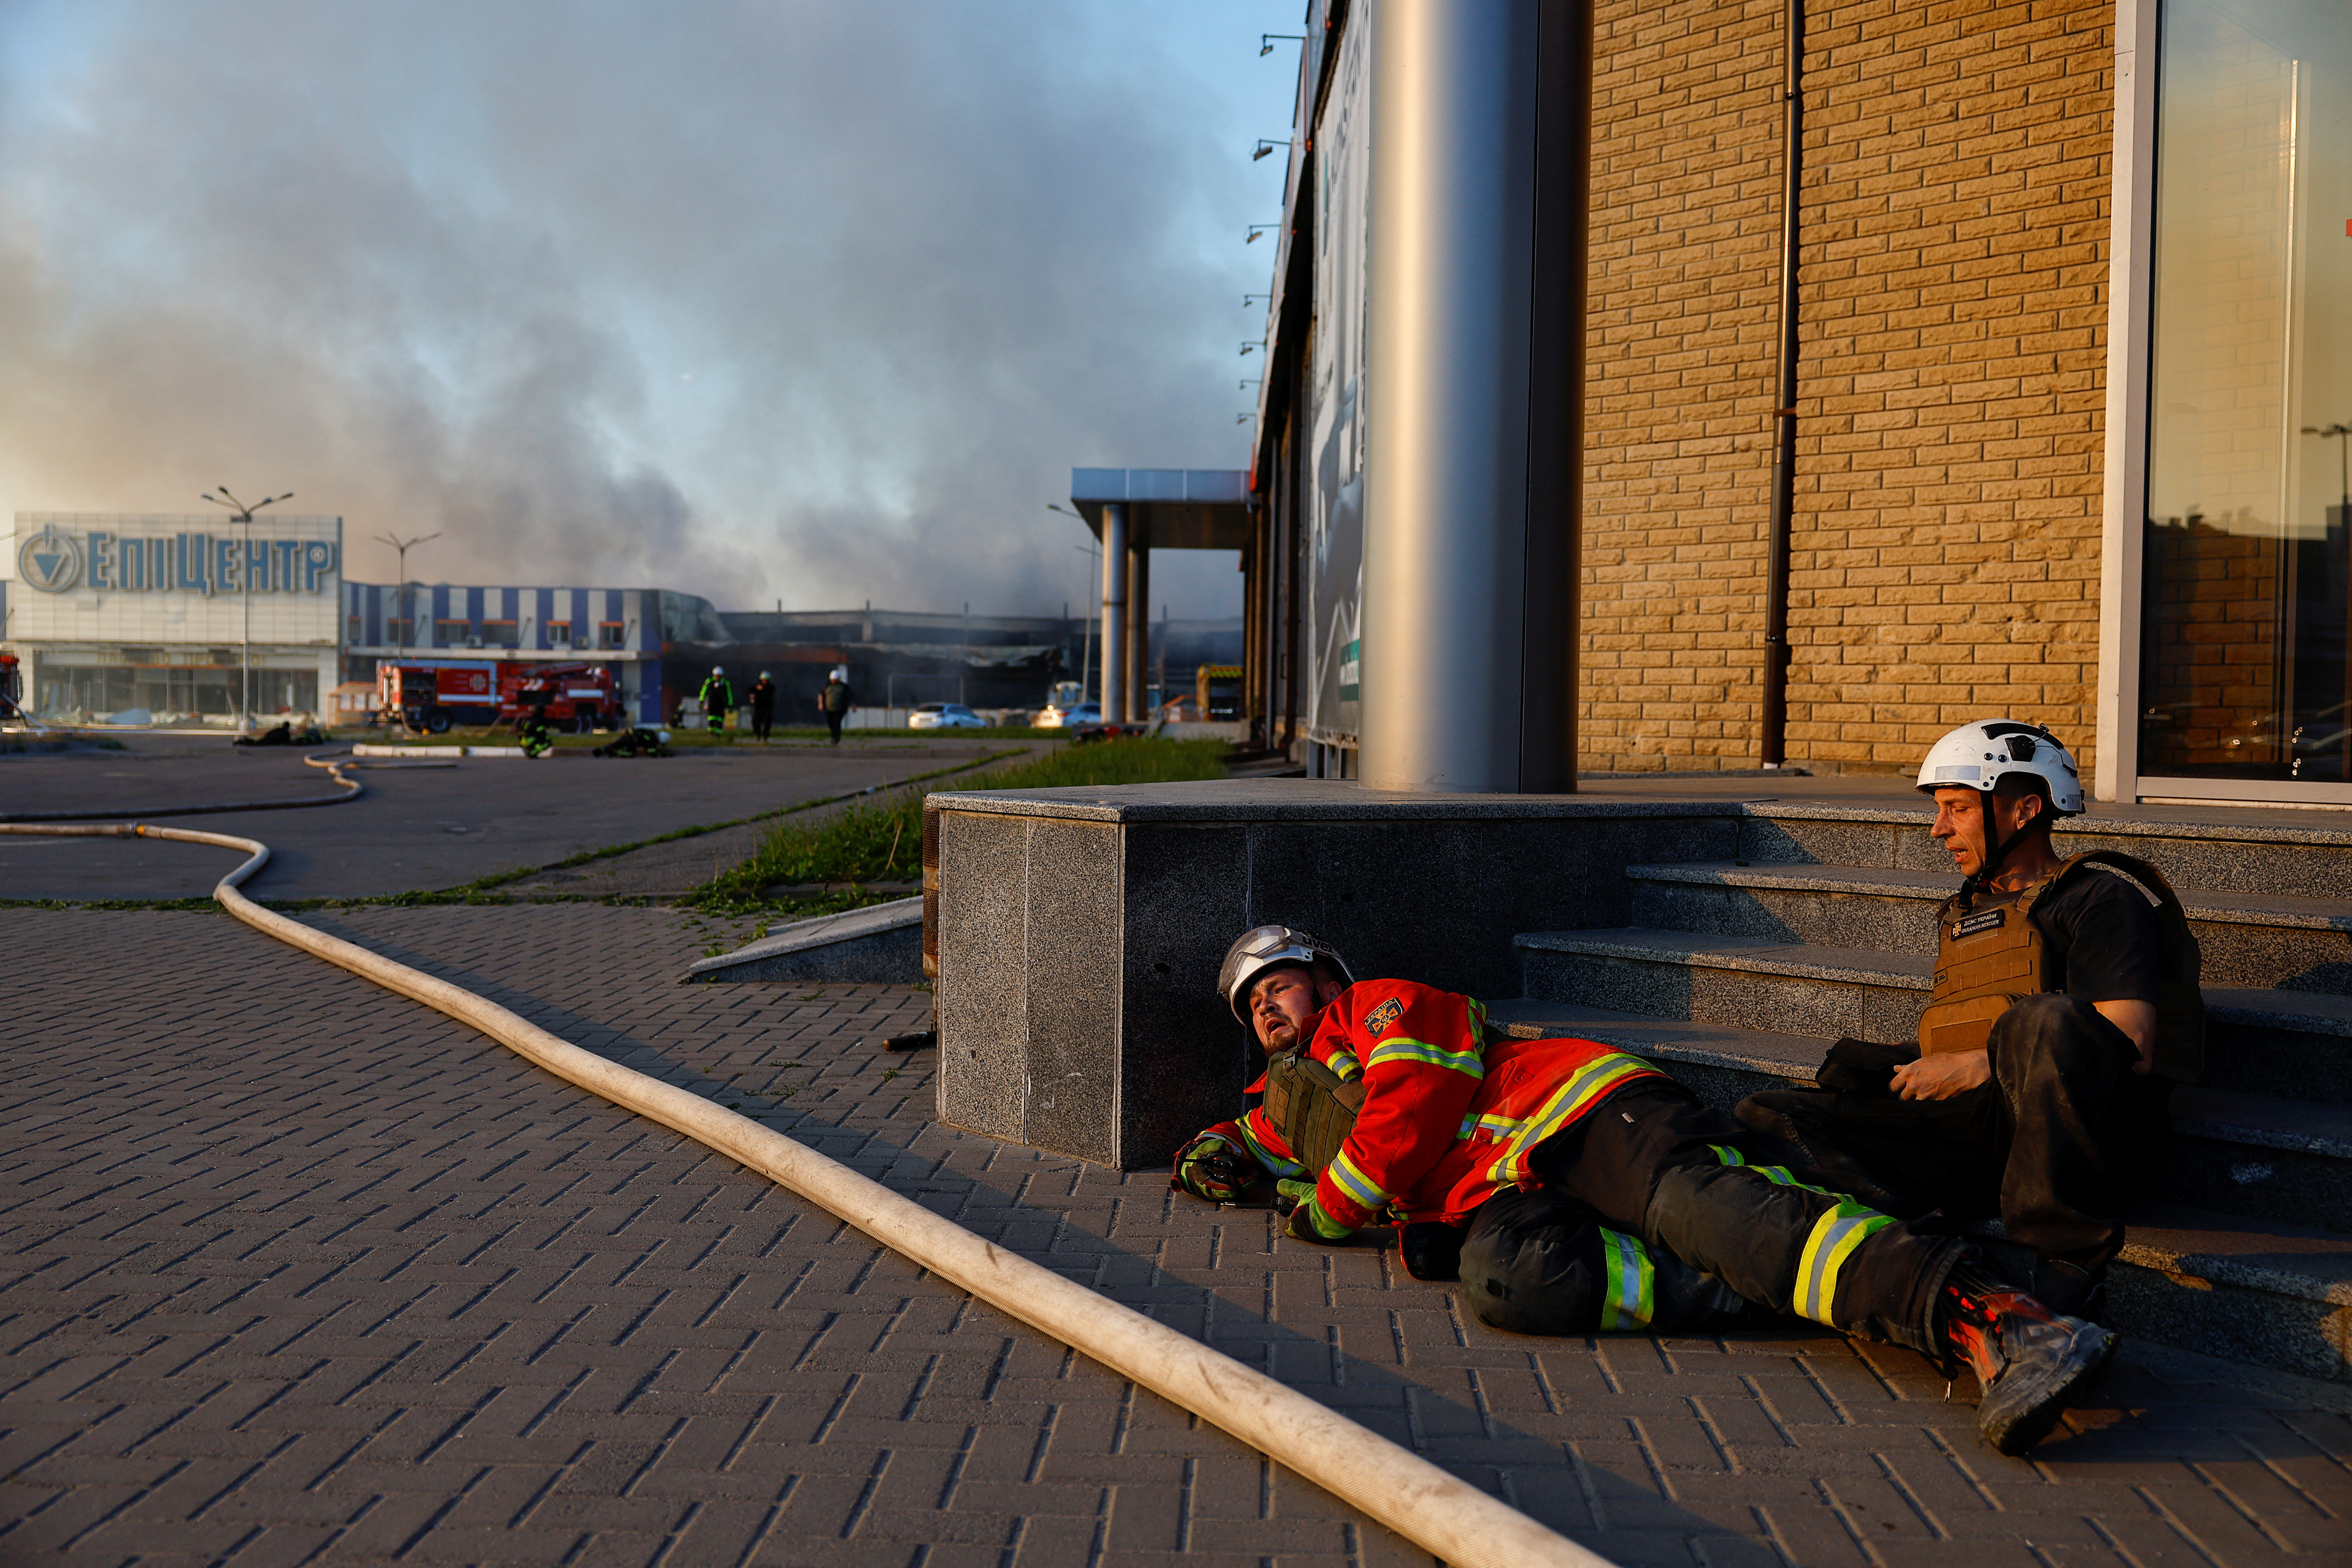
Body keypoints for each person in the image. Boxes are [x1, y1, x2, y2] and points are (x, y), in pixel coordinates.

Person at [1169, 925, 2121, 1456]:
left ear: (1322, 977)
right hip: (1504, 1196)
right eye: (1252, 1006)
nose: (1266, 1007)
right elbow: (1240, 1141)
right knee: (1510, 1283)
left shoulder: (1376, 1005)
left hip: (1580, 1114)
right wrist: (1206, 1153)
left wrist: (1326, 1211)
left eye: (1278, 985)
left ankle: (1987, 1315)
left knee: (1694, 1210)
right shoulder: (1290, 1103)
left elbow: (1411, 1108)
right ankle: (1788, 1274)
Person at [1736, 720, 2199, 1317]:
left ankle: (2068, 1267)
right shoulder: (1964, 911)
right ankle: (1915, 1233)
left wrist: (1974, 1064)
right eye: (1940, 811)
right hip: (1984, 1134)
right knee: (1771, 1113)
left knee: (2047, 1018)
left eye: (1956, 808)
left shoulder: (2100, 900)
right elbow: (1968, 1026)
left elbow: (2129, 1041)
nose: (1939, 829)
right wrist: (1909, 1066)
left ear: (2026, 810)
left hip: (2083, 1140)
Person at [818, 666, 853, 746]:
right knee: (831, 723)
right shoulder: (827, 686)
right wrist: (821, 704)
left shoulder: (844, 687)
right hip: (829, 709)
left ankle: (836, 737)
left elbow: (850, 696)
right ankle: (833, 736)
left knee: (837, 723)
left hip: (840, 709)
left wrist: (853, 705)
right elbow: (821, 695)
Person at [699, 666, 735, 735]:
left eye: (719, 676)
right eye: (717, 676)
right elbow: (703, 692)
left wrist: (730, 705)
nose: (718, 677)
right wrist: (701, 702)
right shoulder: (709, 682)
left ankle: (718, 734)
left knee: (720, 719)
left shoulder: (725, 684)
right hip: (712, 703)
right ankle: (711, 732)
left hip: (721, 704)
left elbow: (729, 695)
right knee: (712, 718)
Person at [749, 672, 777, 742]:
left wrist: (762, 689)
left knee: (767, 724)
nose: (765, 682)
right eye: (764, 680)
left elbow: (770, 692)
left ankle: (765, 737)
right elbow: (748, 690)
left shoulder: (771, 687)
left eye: (766, 680)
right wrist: (752, 694)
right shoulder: (757, 686)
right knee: (756, 722)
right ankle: (757, 735)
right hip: (758, 707)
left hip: (767, 708)